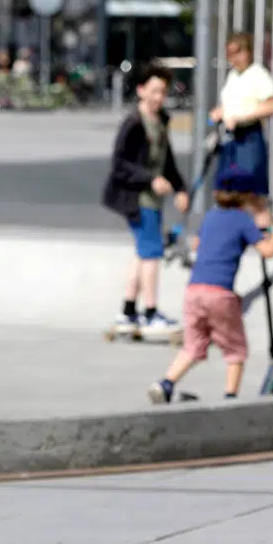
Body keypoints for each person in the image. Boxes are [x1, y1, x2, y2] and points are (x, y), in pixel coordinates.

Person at [148, 190, 273, 403]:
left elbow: (198, 244)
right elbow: (267, 250)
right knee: (236, 350)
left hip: (194, 291)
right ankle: (230, 398)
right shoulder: (242, 219)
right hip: (220, 294)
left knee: (193, 347)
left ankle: (166, 384)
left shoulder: (212, 215)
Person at [101, 61, 189, 340]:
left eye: (162, 92)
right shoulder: (134, 123)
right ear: (141, 91)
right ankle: (150, 313)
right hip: (136, 198)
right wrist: (150, 179)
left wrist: (180, 188)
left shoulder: (160, 120)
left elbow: (168, 159)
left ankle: (128, 311)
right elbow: (120, 164)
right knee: (152, 253)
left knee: (143, 253)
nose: (158, 97)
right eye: (153, 91)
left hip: (153, 197)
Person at [211, 33, 273, 197]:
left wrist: (240, 117)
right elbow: (231, 104)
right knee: (226, 188)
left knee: (248, 190)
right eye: (230, 54)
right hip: (230, 138)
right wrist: (221, 112)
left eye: (238, 53)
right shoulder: (233, 76)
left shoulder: (257, 74)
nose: (234, 59)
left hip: (249, 138)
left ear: (248, 53)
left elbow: (272, 106)